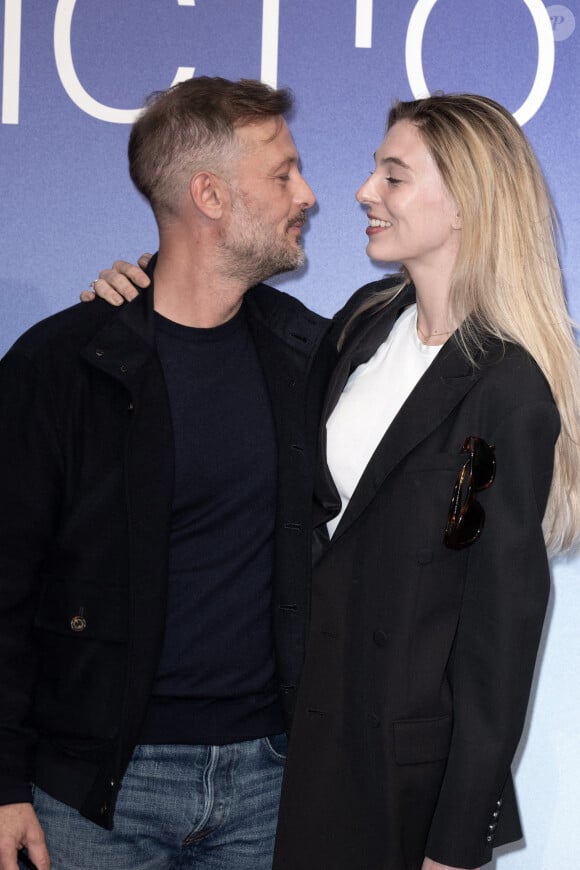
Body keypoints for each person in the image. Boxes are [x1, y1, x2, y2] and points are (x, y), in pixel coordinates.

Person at [96, 94, 580, 870]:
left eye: (393, 176)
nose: (362, 192)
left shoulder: (505, 391)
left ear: (465, 203)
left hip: (395, 773)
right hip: (300, 743)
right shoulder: (362, 322)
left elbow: (498, 635)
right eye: (372, 171)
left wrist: (456, 844)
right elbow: (219, 323)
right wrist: (139, 289)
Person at [0, 77, 334, 870]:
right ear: (210, 194)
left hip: (271, 785)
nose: (309, 195)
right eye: (283, 173)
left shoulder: (312, 357)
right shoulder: (63, 366)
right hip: (94, 795)